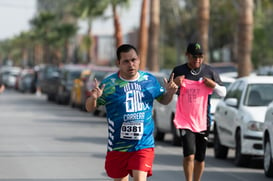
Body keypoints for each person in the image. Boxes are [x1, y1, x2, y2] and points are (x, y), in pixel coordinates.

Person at [85, 44, 178, 181]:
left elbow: (163, 100)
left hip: (143, 144)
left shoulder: (149, 81)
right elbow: (89, 108)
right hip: (118, 146)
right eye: (126, 61)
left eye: (134, 60)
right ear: (119, 63)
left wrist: (169, 93)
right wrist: (93, 98)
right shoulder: (109, 85)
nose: (131, 64)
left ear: (139, 60)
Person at [171, 42, 226, 181]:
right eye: (194, 57)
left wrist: (213, 85)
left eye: (200, 57)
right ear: (187, 55)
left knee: (200, 158)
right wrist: (175, 84)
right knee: (189, 155)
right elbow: (167, 92)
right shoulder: (178, 71)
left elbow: (223, 92)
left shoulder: (210, 71)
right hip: (185, 120)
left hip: (203, 120)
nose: (197, 60)